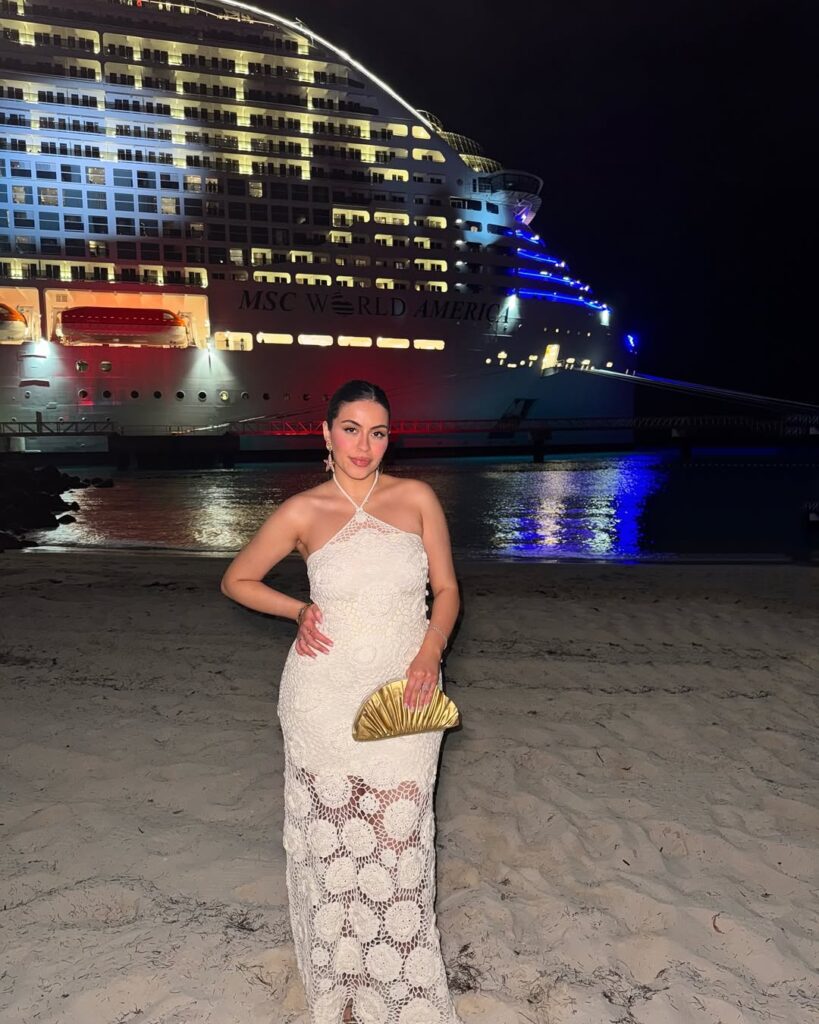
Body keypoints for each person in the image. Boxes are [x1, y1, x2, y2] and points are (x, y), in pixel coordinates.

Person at [221, 380, 463, 1024]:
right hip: (320, 695)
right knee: (331, 842)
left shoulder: (417, 499)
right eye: (351, 429)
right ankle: (341, 983)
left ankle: (400, 984)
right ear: (326, 434)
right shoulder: (303, 511)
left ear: (390, 438)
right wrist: (298, 609)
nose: (364, 444)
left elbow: (447, 590)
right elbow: (237, 579)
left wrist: (429, 652)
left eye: (377, 431)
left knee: (399, 834)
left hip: (406, 691)